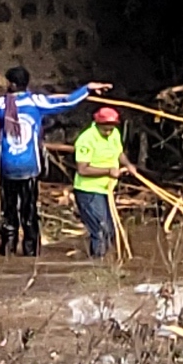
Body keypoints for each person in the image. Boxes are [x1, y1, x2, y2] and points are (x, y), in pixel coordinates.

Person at [0, 66, 98, 258]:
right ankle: (31, 252)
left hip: (8, 167)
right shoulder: (36, 101)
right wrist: (86, 89)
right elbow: (67, 102)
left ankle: (8, 250)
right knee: (29, 211)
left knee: (9, 211)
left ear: (12, 84)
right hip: (30, 167)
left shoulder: (1, 104)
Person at [69, 106, 128, 259]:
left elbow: (119, 153)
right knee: (100, 229)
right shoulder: (86, 139)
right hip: (88, 191)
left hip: (105, 190)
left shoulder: (114, 133)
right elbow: (82, 169)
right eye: (105, 130)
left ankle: (108, 262)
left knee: (111, 229)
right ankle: (97, 264)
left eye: (111, 129)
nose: (108, 132)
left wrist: (128, 166)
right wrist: (109, 171)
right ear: (97, 124)